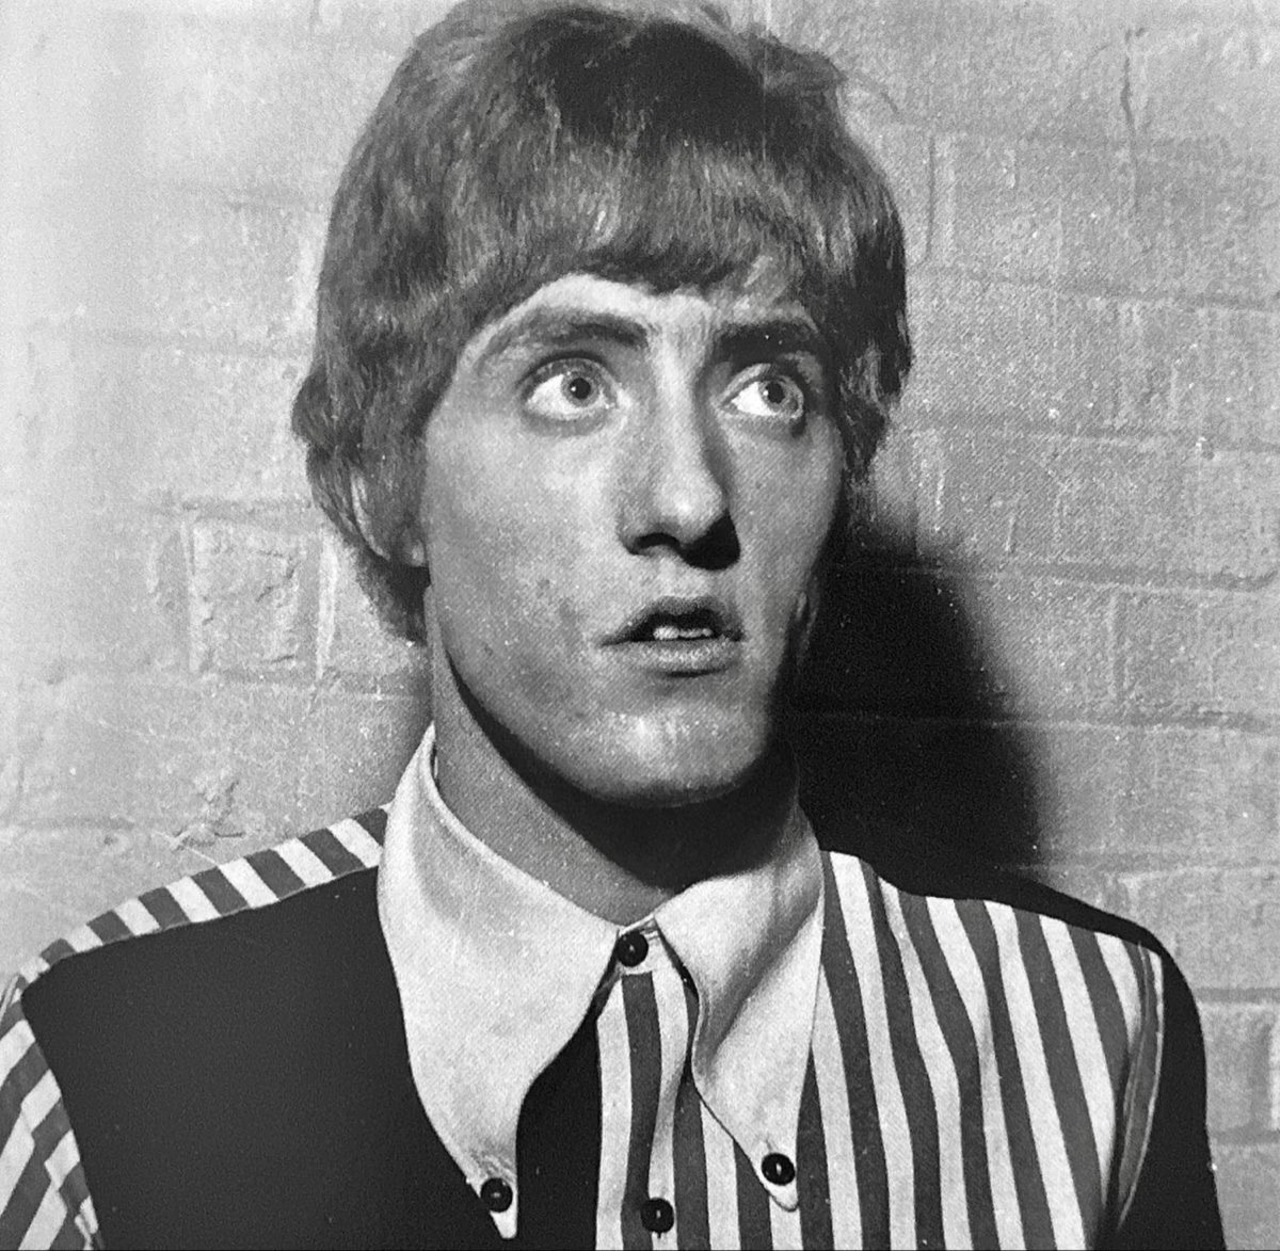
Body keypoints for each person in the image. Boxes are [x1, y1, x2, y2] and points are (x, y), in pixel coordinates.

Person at [0, 1, 1222, 1247]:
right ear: (384, 481)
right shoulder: (100, 1067)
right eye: (573, 383)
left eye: (767, 389)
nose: (688, 501)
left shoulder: (1088, 1032)